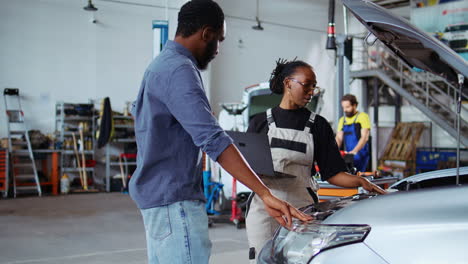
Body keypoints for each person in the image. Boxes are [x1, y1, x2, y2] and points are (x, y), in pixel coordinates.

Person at [129, 1, 311, 264]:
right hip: (175, 203)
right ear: (206, 34)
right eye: (219, 39)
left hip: (160, 201)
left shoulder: (160, 65)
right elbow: (213, 140)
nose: (218, 49)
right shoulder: (180, 70)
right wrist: (264, 194)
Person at [245, 59, 386, 260]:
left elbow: (333, 173)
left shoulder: (317, 125)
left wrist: (362, 182)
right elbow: (248, 169)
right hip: (264, 208)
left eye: (314, 86)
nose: (311, 91)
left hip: (302, 209)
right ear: (288, 83)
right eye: (307, 85)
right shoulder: (259, 122)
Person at [335, 94, 371, 172]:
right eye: (343, 107)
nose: (345, 110)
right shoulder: (342, 120)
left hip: (361, 155)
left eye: (347, 107)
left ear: (355, 105)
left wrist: (354, 152)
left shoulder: (362, 117)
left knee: (359, 177)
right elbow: (338, 138)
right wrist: (333, 150)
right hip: (348, 155)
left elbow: (365, 137)